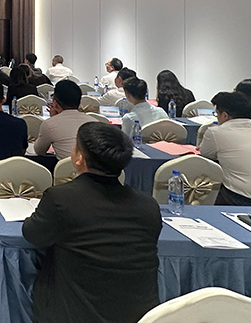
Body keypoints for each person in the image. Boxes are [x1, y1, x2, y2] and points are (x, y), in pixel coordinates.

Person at [22, 122, 162, 323]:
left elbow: (32, 234)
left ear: (79, 158)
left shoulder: (61, 199)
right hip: (138, 316)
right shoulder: (148, 206)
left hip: (74, 313)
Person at [201, 91, 251, 206]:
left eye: (217, 114)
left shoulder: (216, 132)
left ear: (225, 115)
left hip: (242, 200)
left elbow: (205, 154)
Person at [34, 79, 93, 159]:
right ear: (79, 102)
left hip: (64, 167)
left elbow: (39, 151)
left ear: (55, 103)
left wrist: (53, 119)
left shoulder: (49, 124)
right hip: (90, 166)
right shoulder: (93, 122)